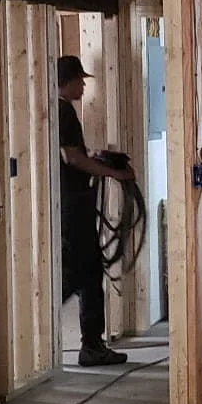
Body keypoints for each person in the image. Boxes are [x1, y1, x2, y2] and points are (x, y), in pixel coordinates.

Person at [57, 54, 134, 366]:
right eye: (81, 79)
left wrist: (99, 159)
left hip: (74, 203)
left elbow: (74, 155)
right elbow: (73, 159)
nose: (84, 84)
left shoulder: (60, 110)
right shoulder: (63, 111)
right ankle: (50, 336)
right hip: (73, 206)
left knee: (87, 276)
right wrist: (114, 173)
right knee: (75, 276)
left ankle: (92, 345)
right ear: (71, 79)